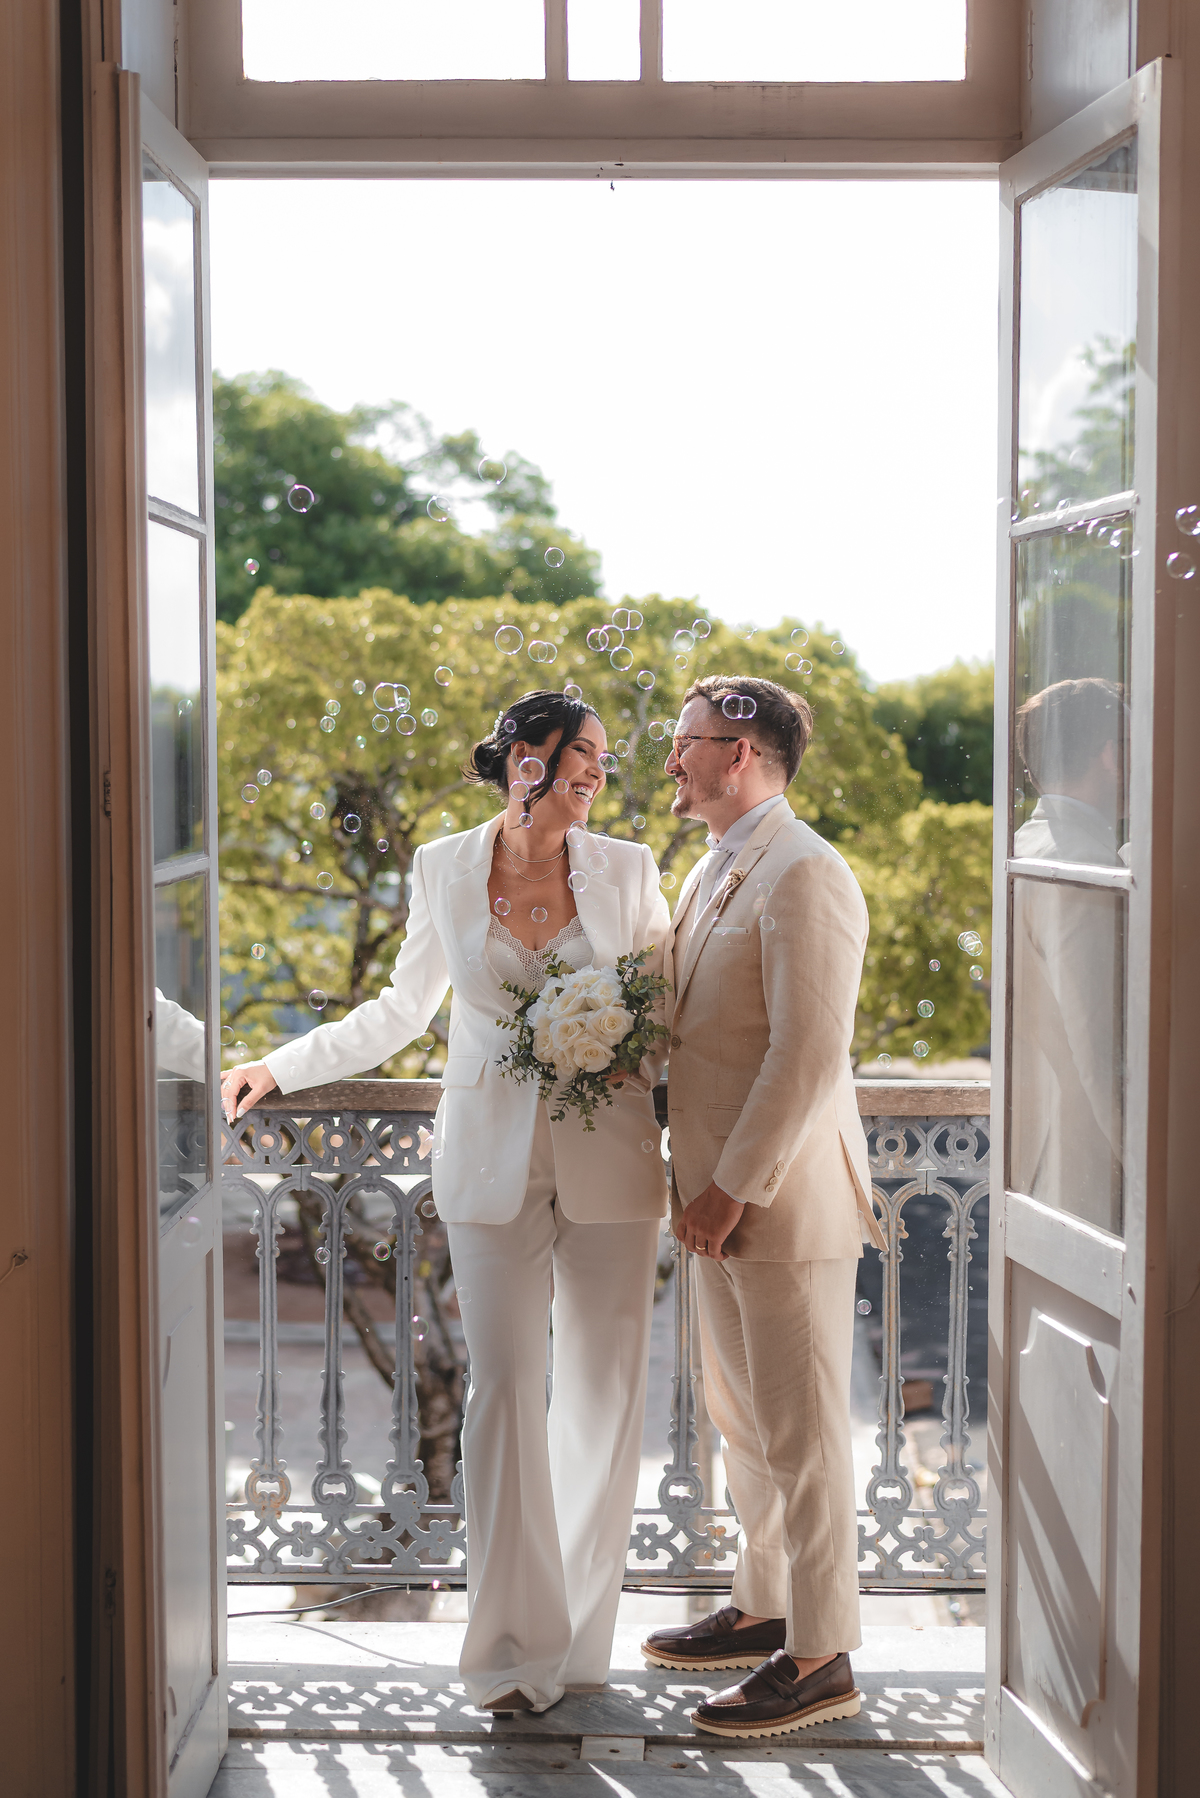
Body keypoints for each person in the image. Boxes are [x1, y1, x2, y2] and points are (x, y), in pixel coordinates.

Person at [222, 689, 670, 1715]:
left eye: (605, 757)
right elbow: (399, 1007)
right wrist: (282, 1065)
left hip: (612, 1159)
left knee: (605, 1402)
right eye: (580, 755)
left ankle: (582, 1644)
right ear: (523, 759)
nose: (597, 773)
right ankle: (512, 1654)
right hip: (485, 1164)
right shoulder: (442, 865)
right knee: (504, 1392)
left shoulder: (632, 869)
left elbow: (665, 1007)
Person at [640, 673, 882, 1740]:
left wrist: (732, 1187)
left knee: (805, 1429)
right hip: (710, 1198)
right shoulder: (713, 868)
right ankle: (766, 1603)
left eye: (686, 742)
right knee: (746, 1425)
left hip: (777, 1201)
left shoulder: (805, 869)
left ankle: (822, 1654)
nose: (671, 761)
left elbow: (807, 1051)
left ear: (739, 752)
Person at [1009, 676, 1127, 1229]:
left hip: (1045, 1169)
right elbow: (1102, 1052)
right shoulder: (1085, 867)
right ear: (1112, 755)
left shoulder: (1027, 845)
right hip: (1097, 1181)